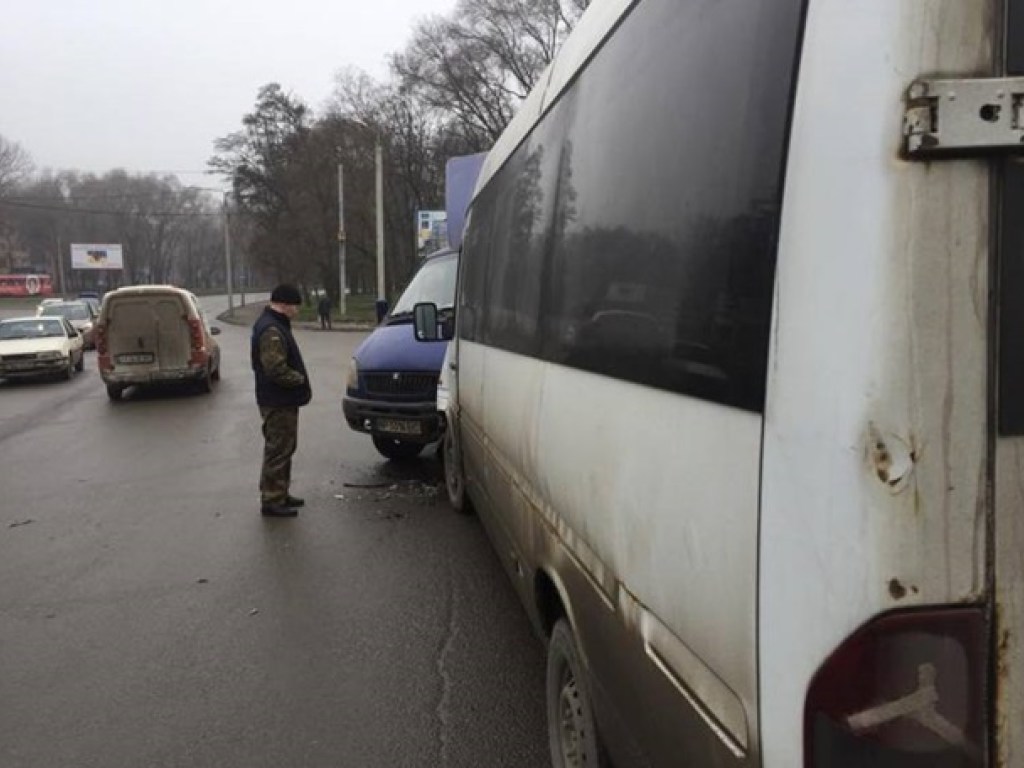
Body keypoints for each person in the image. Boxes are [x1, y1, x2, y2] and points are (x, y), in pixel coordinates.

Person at [251, 284, 312, 517]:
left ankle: (281, 492)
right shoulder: (272, 330)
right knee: (278, 449)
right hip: (277, 400)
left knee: (285, 447)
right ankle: (272, 499)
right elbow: (275, 369)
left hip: (280, 399)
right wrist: (298, 379)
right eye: (295, 305)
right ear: (284, 304)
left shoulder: (275, 324)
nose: (297, 310)